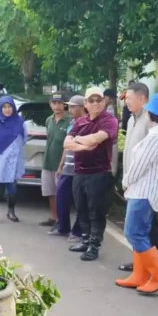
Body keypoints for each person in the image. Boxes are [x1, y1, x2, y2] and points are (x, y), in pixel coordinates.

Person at [115, 93, 158, 294]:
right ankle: (139, 275)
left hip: (143, 190)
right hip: (151, 190)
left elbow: (139, 165)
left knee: (134, 233)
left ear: (151, 113)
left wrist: (125, 182)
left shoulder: (156, 137)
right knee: (140, 232)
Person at [64, 87, 119, 261]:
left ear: (104, 102)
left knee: (97, 212)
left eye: (99, 100)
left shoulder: (109, 120)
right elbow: (67, 143)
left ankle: (94, 246)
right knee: (81, 209)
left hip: (99, 173)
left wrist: (79, 140)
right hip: (79, 173)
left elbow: (97, 139)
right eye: (92, 100)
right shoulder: (80, 122)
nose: (96, 103)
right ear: (85, 104)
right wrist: (85, 144)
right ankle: (85, 240)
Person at [117, 82, 158, 272]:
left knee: (148, 227)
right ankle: (142, 264)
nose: (126, 102)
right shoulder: (131, 119)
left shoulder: (151, 121)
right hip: (133, 182)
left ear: (142, 98)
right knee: (142, 228)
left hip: (145, 184)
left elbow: (149, 155)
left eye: (129, 98)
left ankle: (156, 268)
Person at [0, 96, 26, 223]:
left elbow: (23, 139)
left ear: (13, 108)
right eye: (4, 107)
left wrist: (12, 151)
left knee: (11, 185)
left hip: (13, 160)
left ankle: (11, 211)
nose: (7, 110)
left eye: (9, 107)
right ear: (0, 108)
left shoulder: (20, 122)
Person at [49, 95, 84, 240]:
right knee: (61, 198)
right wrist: (61, 165)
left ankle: (77, 231)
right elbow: (66, 145)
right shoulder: (72, 123)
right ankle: (63, 227)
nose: (70, 109)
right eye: (69, 106)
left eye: (73, 107)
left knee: (80, 203)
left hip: (80, 169)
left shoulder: (87, 123)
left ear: (83, 107)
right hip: (67, 168)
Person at [39, 93, 72, 227]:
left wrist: (61, 164)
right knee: (50, 192)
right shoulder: (49, 120)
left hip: (62, 163)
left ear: (64, 104)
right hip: (48, 161)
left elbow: (68, 144)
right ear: (50, 104)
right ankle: (54, 217)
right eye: (54, 103)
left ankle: (62, 221)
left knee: (62, 193)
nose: (57, 106)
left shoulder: (70, 121)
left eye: (59, 103)